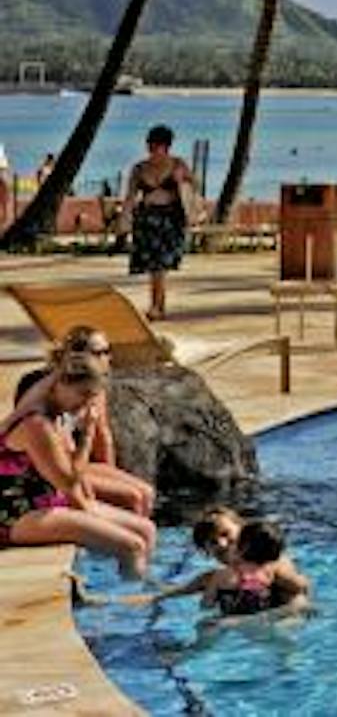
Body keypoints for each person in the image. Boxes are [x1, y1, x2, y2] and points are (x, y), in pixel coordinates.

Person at [0, 356, 156, 577]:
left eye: (91, 398)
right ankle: (128, 602)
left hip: (47, 501)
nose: (85, 405)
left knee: (147, 530)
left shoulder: (55, 414)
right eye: (83, 395)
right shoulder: (37, 425)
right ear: (58, 386)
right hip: (16, 513)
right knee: (132, 547)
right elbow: (68, 480)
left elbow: (75, 476)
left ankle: (135, 585)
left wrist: (87, 506)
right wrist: (88, 433)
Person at [6, 328, 154, 517]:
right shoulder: (43, 391)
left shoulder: (94, 385)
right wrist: (87, 496)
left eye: (108, 351)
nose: (108, 357)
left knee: (146, 493)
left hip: (74, 462)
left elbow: (102, 434)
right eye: (100, 352)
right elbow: (54, 451)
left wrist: (113, 475)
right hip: (46, 469)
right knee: (131, 498)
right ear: (79, 357)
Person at [122, 125, 194, 320]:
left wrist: (181, 182)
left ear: (167, 146)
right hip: (146, 220)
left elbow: (191, 192)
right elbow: (130, 196)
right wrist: (125, 220)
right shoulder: (139, 168)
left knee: (159, 267)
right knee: (155, 268)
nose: (152, 148)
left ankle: (156, 306)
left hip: (170, 220)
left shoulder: (178, 165)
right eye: (150, 144)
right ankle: (158, 306)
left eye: (157, 145)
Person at [200, 518, 311, 619]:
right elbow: (301, 586)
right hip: (262, 611)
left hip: (234, 612)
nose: (222, 544)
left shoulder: (221, 575)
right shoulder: (270, 570)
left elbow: (206, 604)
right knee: (299, 603)